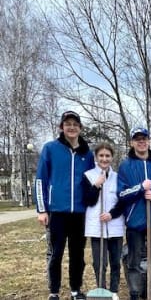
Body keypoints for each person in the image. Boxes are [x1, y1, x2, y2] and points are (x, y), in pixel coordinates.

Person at [35, 111, 95, 300]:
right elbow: (40, 180)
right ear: (61, 127)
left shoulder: (87, 153)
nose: (71, 127)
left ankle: (76, 290)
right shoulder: (50, 148)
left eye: (75, 124)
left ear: (80, 128)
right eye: (67, 123)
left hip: (79, 213)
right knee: (56, 253)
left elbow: (92, 182)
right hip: (57, 213)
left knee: (77, 255)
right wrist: (42, 209)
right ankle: (53, 291)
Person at [117, 126, 151, 300]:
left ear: (149, 141)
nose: (141, 141)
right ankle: (134, 293)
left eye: (144, 138)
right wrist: (140, 188)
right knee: (133, 261)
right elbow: (122, 193)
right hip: (135, 221)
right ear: (132, 142)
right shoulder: (125, 166)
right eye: (137, 139)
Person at [82, 142, 125, 300]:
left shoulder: (118, 177)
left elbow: (122, 202)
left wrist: (111, 215)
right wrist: (96, 185)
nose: (104, 159)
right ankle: (102, 290)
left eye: (107, 156)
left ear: (112, 158)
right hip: (97, 227)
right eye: (101, 155)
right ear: (96, 157)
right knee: (100, 263)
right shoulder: (88, 175)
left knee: (115, 261)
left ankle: (113, 291)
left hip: (115, 226)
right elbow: (88, 201)